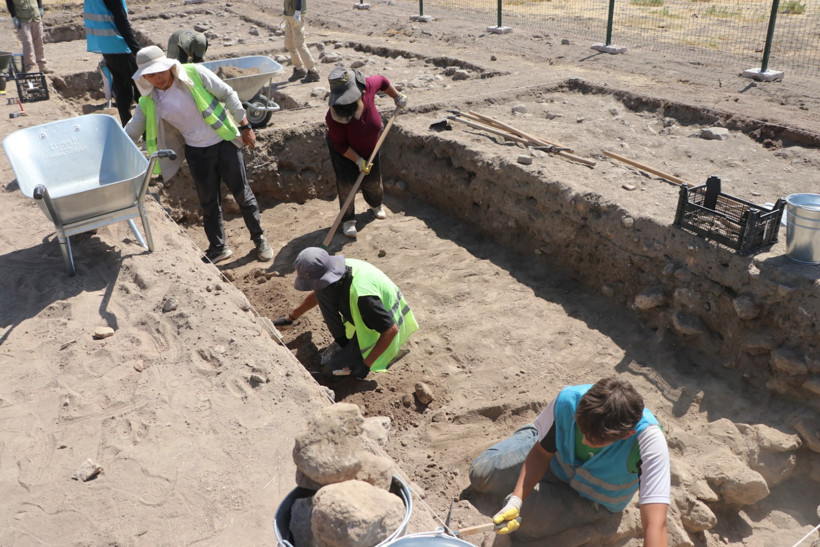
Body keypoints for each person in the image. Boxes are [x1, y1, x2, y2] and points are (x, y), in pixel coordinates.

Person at [469, 377, 669, 546]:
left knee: (525, 521)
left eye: (594, 440)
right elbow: (541, 453)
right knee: (481, 475)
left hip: (589, 498)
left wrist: (517, 502)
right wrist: (517, 499)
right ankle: (537, 431)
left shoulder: (648, 443)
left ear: (627, 434)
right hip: (555, 462)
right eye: (582, 430)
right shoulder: (569, 402)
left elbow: (655, 524)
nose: (584, 441)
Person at [124, 46, 273, 264]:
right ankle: (218, 247)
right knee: (208, 202)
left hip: (224, 142)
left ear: (169, 66)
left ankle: (259, 239)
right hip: (197, 153)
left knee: (242, 194)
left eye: (160, 72)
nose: (157, 78)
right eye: (151, 75)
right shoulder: (149, 101)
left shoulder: (194, 73)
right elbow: (130, 132)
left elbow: (228, 93)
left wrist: (245, 125)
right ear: (144, 77)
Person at [274, 247, 418, 378]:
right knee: (323, 293)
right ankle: (343, 343)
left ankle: (385, 356)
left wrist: (365, 365)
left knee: (331, 372)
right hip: (370, 314)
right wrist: (290, 317)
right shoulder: (338, 269)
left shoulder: (363, 298)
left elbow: (390, 330)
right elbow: (319, 291)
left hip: (383, 330)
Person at [325, 66, 407, 238]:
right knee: (347, 184)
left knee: (373, 180)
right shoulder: (332, 117)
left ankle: (376, 204)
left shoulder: (367, 86)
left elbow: (383, 81)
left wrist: (397, 96)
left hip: (371, 146)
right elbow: (340, 145)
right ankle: (348, 219)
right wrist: (357, 160)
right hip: (344, 151)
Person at [84, 0, 141, 124]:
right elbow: (121, 22)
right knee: (140, 90)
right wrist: (137, 51)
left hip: (106, 46)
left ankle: (127, 127)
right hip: (119, 45)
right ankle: (147, 131)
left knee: (122, 88)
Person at [6, 0, 53, 74]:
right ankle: (29, 67)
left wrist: (40, 7)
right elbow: (9, 3)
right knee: (27, 43)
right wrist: (13, 16)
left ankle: (43, 66)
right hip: (22, 19)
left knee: (39, 42)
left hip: (35, 16)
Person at [282, 0, 319, 82]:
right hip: (289, 15)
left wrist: (298, 12)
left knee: (300, 44)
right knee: (289, 44)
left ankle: (313, 72)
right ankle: (299, 69)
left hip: (296, 15)